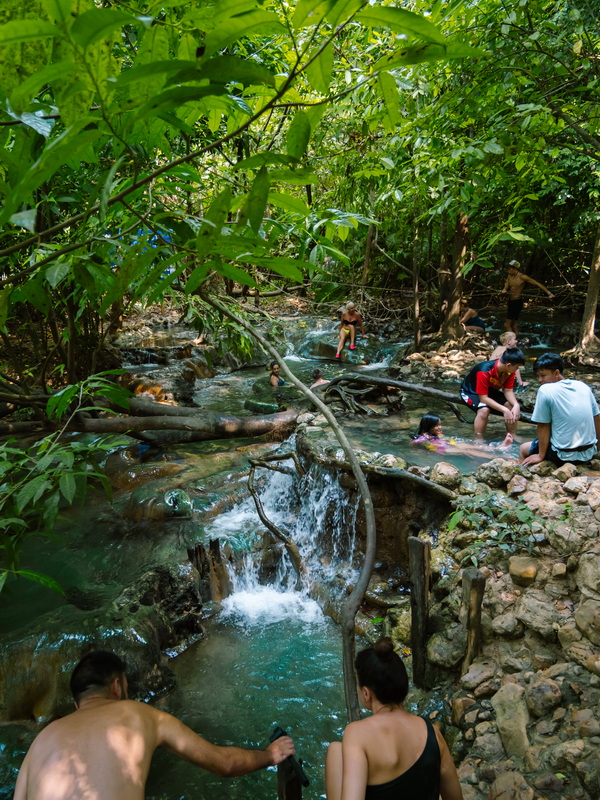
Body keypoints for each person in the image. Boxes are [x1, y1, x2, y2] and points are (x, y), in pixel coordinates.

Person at [14, 651, 295, 800]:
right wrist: (270, 755)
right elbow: (225, 764)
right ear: (116, 687)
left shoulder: (41, 742)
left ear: (77, 704)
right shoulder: (141, 715)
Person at [325, 637, 463, 800]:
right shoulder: (432, 733)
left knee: (335, 751)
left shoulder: (357, 733)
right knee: (337, 750)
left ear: (366, 693)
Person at [520, 353, 600, 467]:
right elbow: (596, 417)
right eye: (537, 376)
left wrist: (540, 456)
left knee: (523, 448)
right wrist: (598, 447)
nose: (539, 380)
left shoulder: (545, 390)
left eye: (543, 375)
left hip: (562, 455)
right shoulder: (582, 386)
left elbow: (543, 425)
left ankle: (520, 476)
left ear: (556, 373)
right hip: (588, 453)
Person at [459, 347, 525, 440]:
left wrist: (516, 405)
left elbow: (508, 390)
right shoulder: (484, 370)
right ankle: (479, 439)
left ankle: (512, 434)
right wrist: (504, 410)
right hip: (471, 391)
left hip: (490, 391)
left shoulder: (509, 371)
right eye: (517, 367)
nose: (517, 369)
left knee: (510, 406)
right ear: (508, 365)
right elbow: (483, 398)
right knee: (484, 410)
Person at [411, 413, 513, 455]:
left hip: (449, 445)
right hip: (445, 449)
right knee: (470, 452)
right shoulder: (424, 437)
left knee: (475, 446)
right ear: (429, 426)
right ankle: (500, 458)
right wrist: (419, 448)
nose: (440, 427)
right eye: (437, 425)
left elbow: (439, 439)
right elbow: (412, 443)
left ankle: (499, 448)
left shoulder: (436, 434)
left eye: (440, 425)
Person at [502, 260, 554, 335]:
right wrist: (505, 289)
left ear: (515, 269)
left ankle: (510, 342)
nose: (508, 270)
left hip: (517, 302)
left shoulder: (522, 277)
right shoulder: (510, 276)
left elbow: (537, 284)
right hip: (511, 301)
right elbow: (507, 284)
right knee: (513, 325)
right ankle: (515, 342)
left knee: (507, 325)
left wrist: (549, 293)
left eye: (510, 269)